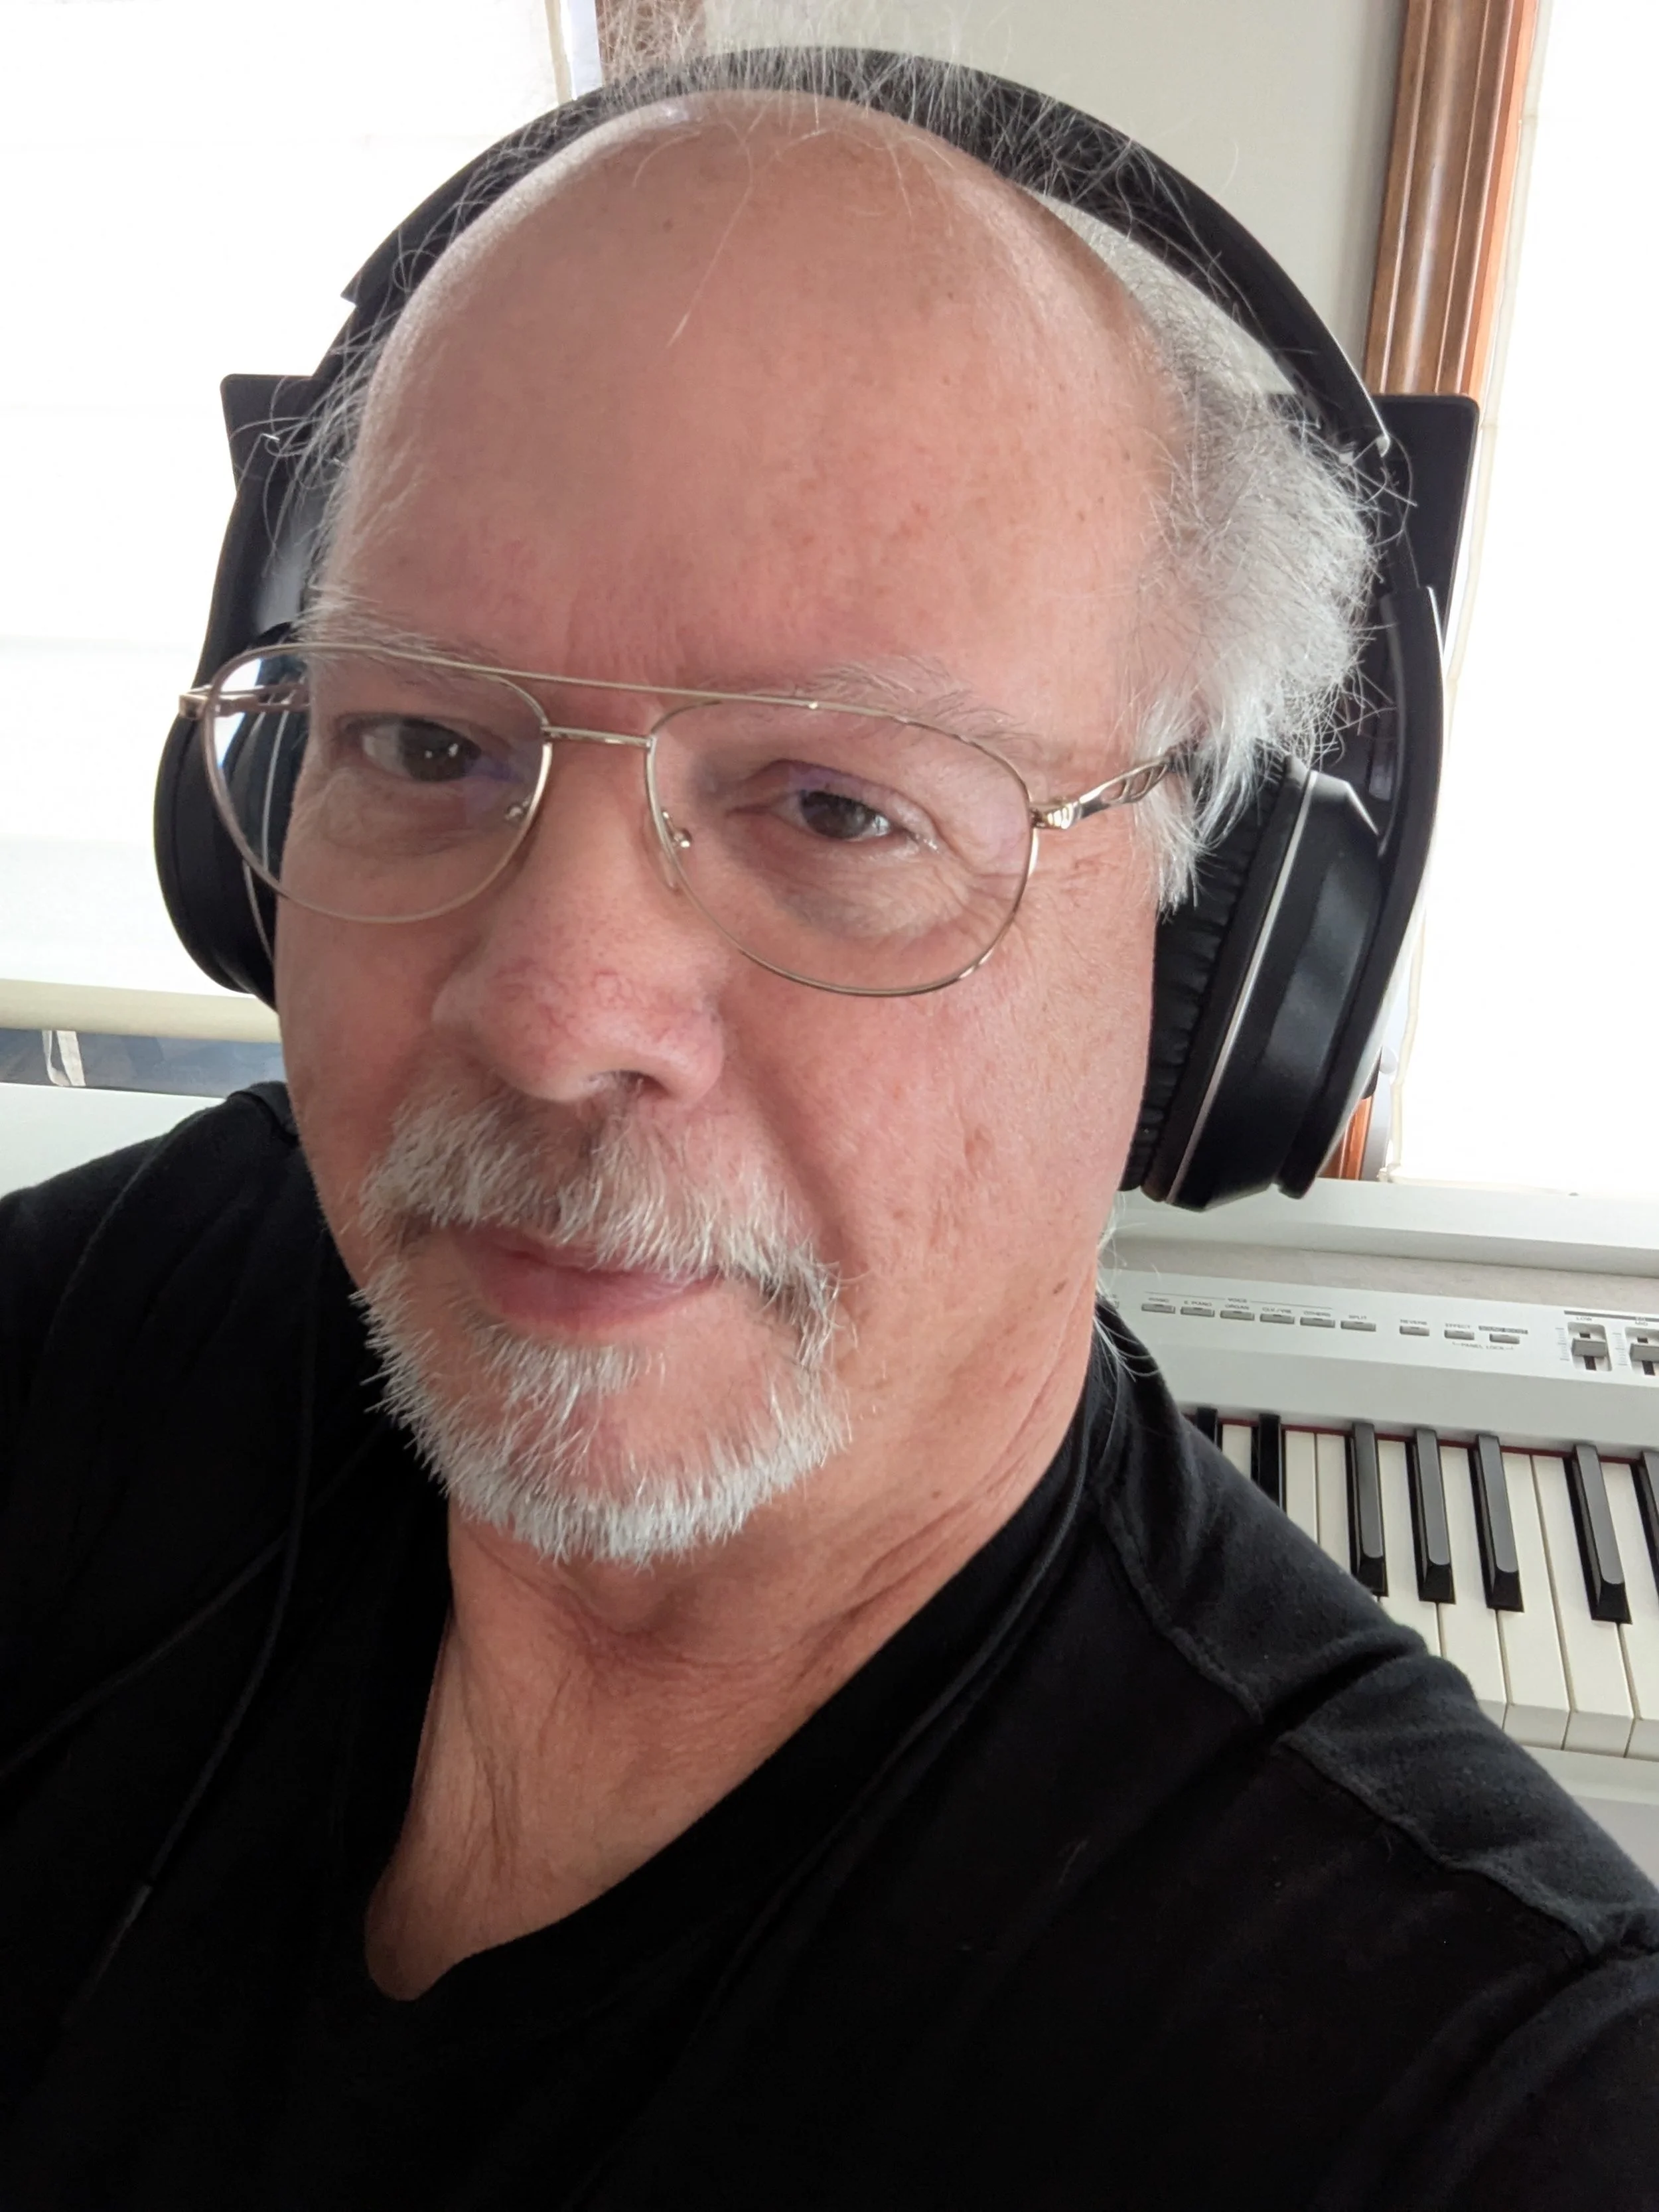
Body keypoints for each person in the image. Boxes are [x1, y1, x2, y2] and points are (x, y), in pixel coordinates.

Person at [2, 56, 1657, 2212]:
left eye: (843, 807)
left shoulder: (1487, 2100)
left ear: (1212, 960)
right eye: (418, 735)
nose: (557, 1015)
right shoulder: (136, 1316)